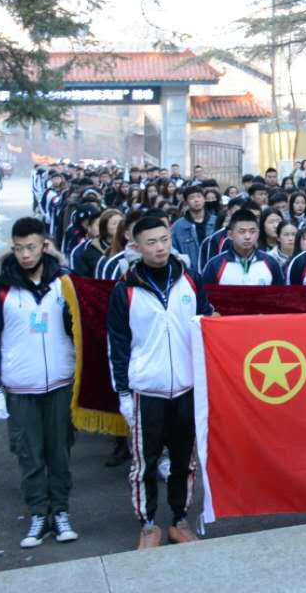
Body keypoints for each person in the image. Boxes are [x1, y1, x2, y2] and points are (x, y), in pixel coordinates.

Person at [107, 214, 213, 548]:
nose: (160, 248)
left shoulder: (190, 280)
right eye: (151, 242)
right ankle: (149, 523)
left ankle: (179, 519)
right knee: (145, 463)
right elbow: (117, 345)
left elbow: (208, 326)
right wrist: (124, 392)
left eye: (164, 240)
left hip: (186, 386)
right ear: (136, 247)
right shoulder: (125, 289)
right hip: (146, 389)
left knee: (185, 460)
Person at [0, 217, 79, 548]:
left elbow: (80, 329)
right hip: (20, 388)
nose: (25, 254)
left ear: (44, 245)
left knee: (59, 453)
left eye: (31, 247)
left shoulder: (64, 283)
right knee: (29, 454)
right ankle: (38, 512)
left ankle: (60, 511)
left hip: (60, 384)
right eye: (18, 248)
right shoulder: (2, 289)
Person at [201, 209, 285, 286]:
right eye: (242, 231)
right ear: (230, 235)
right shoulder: (215, 265)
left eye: (252, 231)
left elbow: (280, 296)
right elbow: (206, 299)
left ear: (258, 233)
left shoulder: (271, 263)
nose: (248, 236)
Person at [169, 185, 216, 267]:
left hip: (215, 269)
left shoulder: (216, 221)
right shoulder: (178, 226)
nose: (196, 200)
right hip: (191, 272)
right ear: (186, 202)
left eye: (199, 196)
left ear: (204, 199)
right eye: (192, 198)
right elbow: (174, 252)